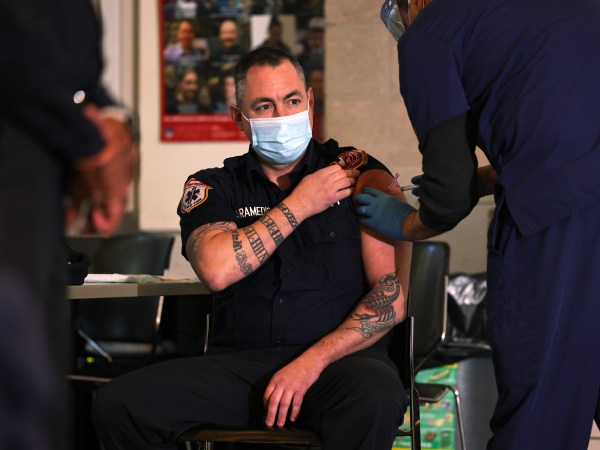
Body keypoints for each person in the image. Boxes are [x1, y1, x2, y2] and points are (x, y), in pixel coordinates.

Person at [91, 47, 412, 450]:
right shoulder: (214, 186)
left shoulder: (356, 171)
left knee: (376, 395)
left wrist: (310, 363)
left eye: (292, 101)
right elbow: (216, 270)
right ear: (238, 117)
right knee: (118, 406)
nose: (282, 116)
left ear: (310, 102)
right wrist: (300, 204)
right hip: (240, 368)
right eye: (264, 106)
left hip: (338, 365)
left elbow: (391, 298)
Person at [357, 0, 600, 449]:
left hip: (555, 222)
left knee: (539, 408)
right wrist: (487, 179)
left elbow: (448, 195)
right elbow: (563, 127)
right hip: (573, 195)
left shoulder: (430, 32)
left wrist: (410, 224)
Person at [0, 1, 138, 450]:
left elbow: (72, 59)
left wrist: (111, 122)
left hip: (39, 198)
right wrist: (91, 144)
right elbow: (21, 39)